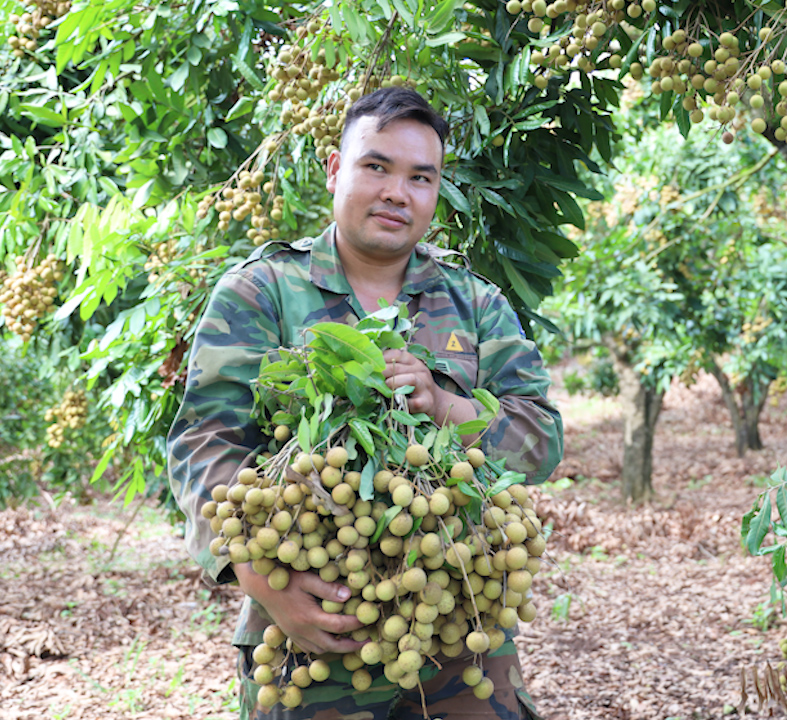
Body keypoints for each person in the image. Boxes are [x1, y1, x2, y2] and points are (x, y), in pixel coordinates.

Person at [168, 86, 563, 719]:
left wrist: (443, 405)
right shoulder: (259, 293)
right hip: (314, 632)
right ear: (335, 169)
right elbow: (203, 446)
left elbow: (541, 441)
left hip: (457, 636)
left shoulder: (476, 304)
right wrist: (264, 584)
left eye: (420, 177)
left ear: (436, 192)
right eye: (376, 166)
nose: (396, 192)